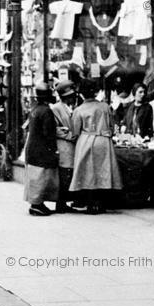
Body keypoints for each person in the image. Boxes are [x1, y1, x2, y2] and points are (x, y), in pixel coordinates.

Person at [69, 79, 123, 214]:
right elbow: (112, 125)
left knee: (88, 172)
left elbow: (75, 131)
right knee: (103, 171)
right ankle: (101, 202)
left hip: (86, 140)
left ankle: (90, 202)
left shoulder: (79, 110)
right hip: (104, 141)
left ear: (82, 93)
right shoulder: (105, 107)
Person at [24, 82, 59, 216]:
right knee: (41, 177)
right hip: (42, 149)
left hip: (33, 148)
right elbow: (48, 133)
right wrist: (53, 149)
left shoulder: (35, 109)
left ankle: (36, 203)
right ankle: (37, 204)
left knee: (35, 177)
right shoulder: (46, 111)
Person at [51, 80, 78, 213]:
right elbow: (55, 129)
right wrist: (68, 135)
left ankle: (65, 201)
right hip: (64, 146)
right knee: (64, 174)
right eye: (69, 96)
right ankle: (60, 203)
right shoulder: (55, 109)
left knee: (69, 173)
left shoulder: (75, 107)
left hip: (73, 146)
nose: (72, 98)